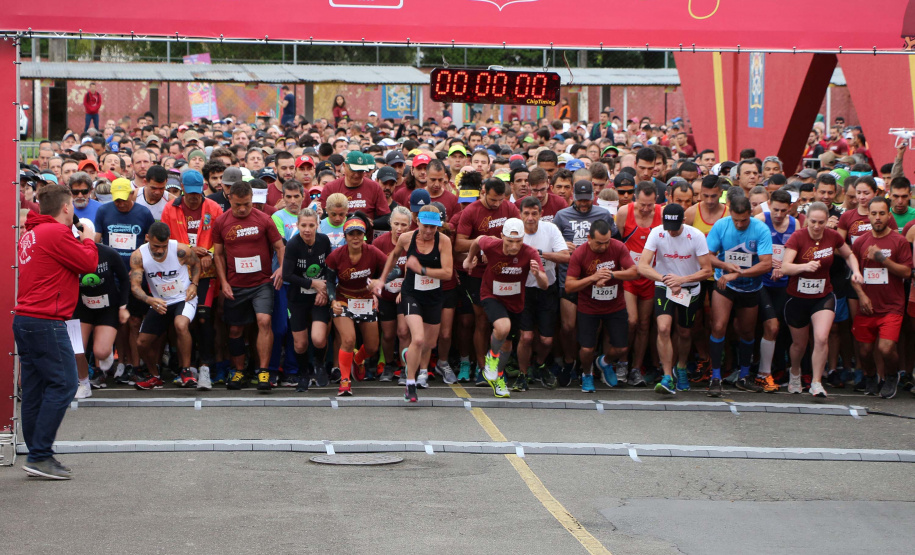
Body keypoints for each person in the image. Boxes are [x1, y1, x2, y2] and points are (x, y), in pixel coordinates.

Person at [16, 184, 98, 479]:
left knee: (37, 388)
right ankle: (40, 455)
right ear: (66, 207)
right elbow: (88, 263)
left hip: (27, 319)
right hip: (46, 321)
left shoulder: (32, 233)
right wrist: (88, 239)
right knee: (64, 384)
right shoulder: (56, 233)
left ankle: (37, 453)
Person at [779, 202, 862, 398]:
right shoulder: (798, 237)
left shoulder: (832, 236)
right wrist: (804, 267)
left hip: (823, 295)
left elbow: (849, 255)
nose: (817, 227)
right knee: (799, 344)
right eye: (813, 222)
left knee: (822, 338)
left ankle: (816, 382)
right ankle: (795, 372)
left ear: (827, 221)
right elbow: (785, 267)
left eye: (821, 222)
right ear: (807, 220)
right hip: (797, 297)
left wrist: (856, 271)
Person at [376, 205, 455, 402]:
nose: (428, 231)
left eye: (433, 227)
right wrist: (381, 279)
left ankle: (408, 353)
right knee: (418, 339)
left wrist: (422, 269)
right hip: (411, 294)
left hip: (434, 296)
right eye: (425, 226)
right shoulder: (406, 238)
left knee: (429, 343)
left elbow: (447, 273)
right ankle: (410, 384)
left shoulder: (443, 241)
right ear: (417, 222)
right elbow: (393, 257)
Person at [212, 181, 285, 392]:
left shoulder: (264, 220)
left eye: (246, 204)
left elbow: (279, 247)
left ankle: (263, 372)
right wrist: (223, 282)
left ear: (252, 199)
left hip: (262, 283)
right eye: (237, 205)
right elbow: (217, 254)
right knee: (235, 329)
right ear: (230, 200)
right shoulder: (221, 222)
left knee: (264, 321)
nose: (242, 209)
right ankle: (238, 371)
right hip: (235, 284)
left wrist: (281, 269)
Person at [464, 218, 547, 398]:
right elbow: (477, 241)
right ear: (502, 237)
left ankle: (499, 377)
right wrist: (469, 259)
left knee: (508, 344)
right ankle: (491, 357)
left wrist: (537, 274)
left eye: (518, 242)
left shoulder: (530, 253)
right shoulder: (491, 244)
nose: (514, 246)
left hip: (515, 301)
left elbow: (545, 284)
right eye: (510, 241)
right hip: (491, 294)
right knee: (502, 327)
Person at [638, 204, 713, 394]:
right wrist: (665, 279)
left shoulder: (695, 236)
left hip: (689, 288)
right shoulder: (657, 233)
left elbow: (707, 270)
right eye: (667, 226)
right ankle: (667, 376)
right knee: (663, 328)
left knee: (685, 332)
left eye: (675, 226)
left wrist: (682, 280)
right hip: (665, 285)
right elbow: (643, 265)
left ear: (684, 222)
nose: (670, 231)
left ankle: (680, 367)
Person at [160, 169, 223, 389]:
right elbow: (165, 241)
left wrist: (211, 254)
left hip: (207, 274)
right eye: (190, 193)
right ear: (183, 189)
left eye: (198, 192)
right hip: (180, 274)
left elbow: (220, 238)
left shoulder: (213, 208)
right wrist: (189, 250)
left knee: (205, 317)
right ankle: (187, 367)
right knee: (186, 321)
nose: (195, 197)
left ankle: (206, 367)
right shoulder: (171, 208)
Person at [455, 177, 521, 384]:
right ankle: (482, 368)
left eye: (500, 200)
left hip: (505, 272)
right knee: (481, 320)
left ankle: (499, 367)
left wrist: (497, 247)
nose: (496, 204)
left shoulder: (509, 208)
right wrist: (484, 245)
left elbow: (520, 237)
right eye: (492, 200)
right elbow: (458, 244)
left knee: (503, 323)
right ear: (483, 192)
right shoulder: (471, 211)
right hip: (478, 274)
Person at [706, 195, 773, 397]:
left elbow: (766, 263)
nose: (739, 224)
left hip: (750, 287)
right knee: (718, 326)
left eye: (744, 220)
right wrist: (725, 266)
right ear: (730, 213)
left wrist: (740, 273)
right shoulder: (721, 225)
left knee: (746, 331)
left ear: (750, 214)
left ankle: (744, 375)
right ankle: (715, 377)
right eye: (736, 219)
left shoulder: (760, 230)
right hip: (724, 283)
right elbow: (707, 255)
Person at [552, 180, 617, 385]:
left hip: (595, 280)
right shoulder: (562, 216)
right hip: (568, 278)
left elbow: (613, 242)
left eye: (587, 200)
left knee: (594, 328)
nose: (583, 204)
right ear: (573, 196)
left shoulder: (603, 215)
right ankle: (570, 361)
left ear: (593, 197)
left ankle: (587, 366)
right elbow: (552, 244)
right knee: (568, 326)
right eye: (580, 200)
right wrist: (562, 247)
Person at [564, 219, 638, 393]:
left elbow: (634, 272)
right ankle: (587, 374)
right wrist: (592, 278)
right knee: (587, 348)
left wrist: (611, 274)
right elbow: (568, 286)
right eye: (599, 243)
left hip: (615, 305)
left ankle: (604, 362)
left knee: (622, 348)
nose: (604, 247)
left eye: (607, 242)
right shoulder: (580, 253)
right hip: (588, 307)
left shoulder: (618, 247)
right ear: (589, 238)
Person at [851, 197, 913, 399]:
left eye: (882, 213)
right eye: (874, 213)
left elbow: (906, 272)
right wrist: (861, 296)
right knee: (864, 351)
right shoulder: (860, 242)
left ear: (889, 215)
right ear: (868, 215)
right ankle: (870, 377)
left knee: (886, 348)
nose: (878, 218)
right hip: (867, 305)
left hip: (892, 306)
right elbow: (853, 275)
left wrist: (882, 259)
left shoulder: (900, 241)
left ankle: (891, 376)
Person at [94, 177, 155, 383]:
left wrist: (139, 268)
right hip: (112, 278)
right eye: (117, 200)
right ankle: (120, 363)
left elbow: (151, 245)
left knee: (135, 321)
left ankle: (134, 365)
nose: (120, 203)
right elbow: (97, 242)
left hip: (134, 277)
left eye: (124, 199)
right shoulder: (103, 211)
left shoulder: (143, 213)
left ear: (132, 195)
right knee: (118, 322)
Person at [129, 223, 201, 390]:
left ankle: (186, 371)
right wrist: (149, 300)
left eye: (163, 246)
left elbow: (196, 263)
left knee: (180, 325)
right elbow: (135, 286)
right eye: (156, 246)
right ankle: (154, 376)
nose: (160, 250)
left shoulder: (180, 250)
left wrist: (194, 284)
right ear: (147, 238)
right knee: (142, 343)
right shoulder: (138, 256)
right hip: (159, 302)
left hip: (183, 298)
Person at [327, 217, 387, 396]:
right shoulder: (336, 255)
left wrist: (380, 281)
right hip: (343, 299)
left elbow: (396, 270)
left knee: (372, 347)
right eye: (351, 234)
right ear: (345, 236)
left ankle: (358, 359)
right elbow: (329, 281)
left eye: (359, 234)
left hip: (365, 300)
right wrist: (332, 300)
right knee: (348, 339)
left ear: (364, 236)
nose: (355, 238)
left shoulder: (373, 252)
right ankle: (345, 380)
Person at [517, 196, 569, 390]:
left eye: (534, 213)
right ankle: (523, 374)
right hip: (523, 290)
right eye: (526, 213)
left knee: (547, 340)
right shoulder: (515, 230)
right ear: (520, 214)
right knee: (526, 337)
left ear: (541, 214)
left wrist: (539, 255)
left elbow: (565, 256)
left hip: (547, 289)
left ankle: (538, 363)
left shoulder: (550, 229)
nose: (530, 218)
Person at [72, 223, 129, 396]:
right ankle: (83, 384)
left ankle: (106, 352)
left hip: (107, 307)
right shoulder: (70, 252)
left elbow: (125, 280)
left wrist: (123, 306)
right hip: (82, 307)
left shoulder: (108, 253)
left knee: (101, 351)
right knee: (76, 349)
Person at [616, 181, 663, 386]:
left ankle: (636, 368)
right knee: (631, 321)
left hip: (651, 276)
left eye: (650, 205)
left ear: (656, 202)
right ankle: (622, 362)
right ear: (635, 198)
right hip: (630, 276)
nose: (645, 209)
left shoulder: (661, 214)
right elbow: (618, 242)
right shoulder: (624, 212)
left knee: (645, 324)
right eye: (642, 204)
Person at [282, 208, 333, 390]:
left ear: (318, 225)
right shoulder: (293, 245)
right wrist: (312, 284)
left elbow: (329, 267)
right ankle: (303, 373)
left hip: (319, 296)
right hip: (297, 298)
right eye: (303, 225)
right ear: (297, 225)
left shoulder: (324, 241)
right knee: (301, 343)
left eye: (311, 225)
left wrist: (324, 289)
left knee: (319, 339)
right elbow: (287, 275)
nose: (307, 229)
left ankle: (319, 364)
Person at [753, 189, 795, 393]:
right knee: (771, 326)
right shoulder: (760, 220)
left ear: (790, 208)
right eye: (775, 209)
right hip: (762, 283)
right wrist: (768, 263)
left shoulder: (796, 225)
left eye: (783, 211)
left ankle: (776, 368)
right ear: (769, 205)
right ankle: (762, 372)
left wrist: (784, 266)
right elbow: (749, 249)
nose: (778, 214)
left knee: (782, 328)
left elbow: (799, 252)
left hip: (784, 283)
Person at [373, 206, 413, 383]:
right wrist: (374, 291)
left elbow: (419, 270)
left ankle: (405, 368)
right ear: (390, 223)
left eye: (403, 225)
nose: (399, 228)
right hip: (386, 296)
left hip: (406, 294)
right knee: (388, 335)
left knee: (403, 331)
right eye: (396, 223)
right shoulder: (380, 243)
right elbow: (371, 270)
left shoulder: (414, 242)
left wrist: (405, 287)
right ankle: (389, 364)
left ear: (410, 226)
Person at [319, 151, 390, 221]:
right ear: (344, 166)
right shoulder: (330, 188)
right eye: (353, 170)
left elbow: (386, 217)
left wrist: (370, 223)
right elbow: (322, 215)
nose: (357, 175)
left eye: (360, 171)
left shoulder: (374, 187)